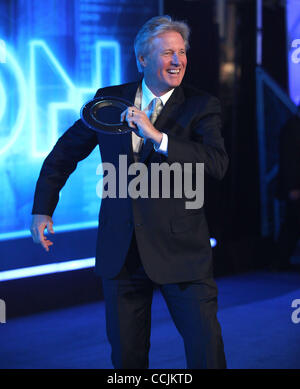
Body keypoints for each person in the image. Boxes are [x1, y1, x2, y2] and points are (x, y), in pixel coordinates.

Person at [30, 15, 229, 369]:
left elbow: (216, 164)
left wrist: (159, 137)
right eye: (168, 53)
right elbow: (62, 155)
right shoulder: (109, 101)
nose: (177, 61)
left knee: (206, 353)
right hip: (121, 254)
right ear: (142, 59)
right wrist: (43, 209)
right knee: (127, 360)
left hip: (182, 254)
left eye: (181, 52)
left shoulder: (202, 105)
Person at [272, 110, 300, 271]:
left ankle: (280, 260)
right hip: (294, 187)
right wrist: (292, 187)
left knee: (292, 224)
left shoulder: (293, 127)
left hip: (294, 186)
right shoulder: (292, 128)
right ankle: (279, 260)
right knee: (292, 224)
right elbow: (289, 160)